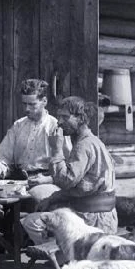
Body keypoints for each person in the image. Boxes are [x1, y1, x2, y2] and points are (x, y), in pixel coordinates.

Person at [21, 96, 118, 244]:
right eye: (59, 117)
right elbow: (80, 187)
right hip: (101, 216)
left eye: (65, 117)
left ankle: (67, 256)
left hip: (92, 220)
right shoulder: (92, 141)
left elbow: (65, 181)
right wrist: (53, 198)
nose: (59, 122)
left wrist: (57, 149)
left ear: (80, 118)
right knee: (48, 203)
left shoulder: (83, 146)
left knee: (31, 221)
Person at [0, 78, 70, 181]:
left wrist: (50, 179)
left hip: (46, 181)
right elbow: (4, 158)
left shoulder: (55, 127)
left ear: (44, 101)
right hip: (18, 180)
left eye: (32, 104)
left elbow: (68, 165)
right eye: (24, 104)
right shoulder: (18, 126)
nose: (26, 109)